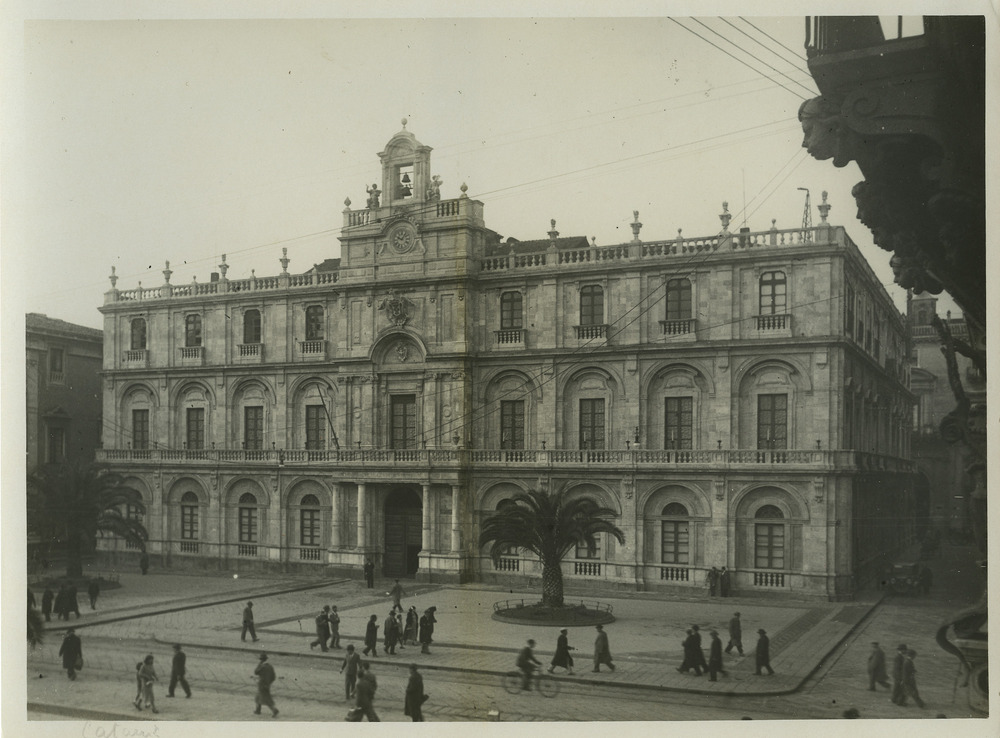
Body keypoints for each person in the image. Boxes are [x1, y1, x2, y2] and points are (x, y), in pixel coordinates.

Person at [253, 653, 279, 717]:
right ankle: (258, 709)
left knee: (265, 699)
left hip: (262, 684)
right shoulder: (270, 666)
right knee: (258, 697)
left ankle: (274, 710)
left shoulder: (262, 667)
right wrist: (269, 683)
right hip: (267, 684)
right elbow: (273, 677)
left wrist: (259, 664)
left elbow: (256, 672)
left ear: (261, 660)